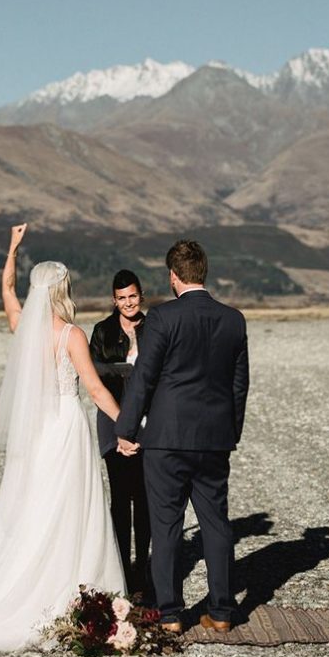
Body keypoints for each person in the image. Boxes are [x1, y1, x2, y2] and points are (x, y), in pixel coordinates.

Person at [0, 224, 126, 651]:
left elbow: (8, 290)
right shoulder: (71, 334)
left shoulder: (23, 327)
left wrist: (12, 248)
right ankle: (75, 587)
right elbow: (95, 390)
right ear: (63, 290)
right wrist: (127, 424)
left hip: (37, 432)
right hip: (65, 426)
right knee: (73, 505)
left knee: (38, 504)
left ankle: (30, 583)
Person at [115, 239, 250, 634]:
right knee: (216, 523)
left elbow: (144, 377)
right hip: (214, 439)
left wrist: (126, 429)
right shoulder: (234, 320)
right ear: (202, 272)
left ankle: (171, 615)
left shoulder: (162, 317)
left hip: (167, 439)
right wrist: (231, 431)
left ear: (173, 276)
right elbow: (239, 384)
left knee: (167, 526)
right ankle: (221, 611)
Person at [89, 270, 151, 594]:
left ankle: (143, 570)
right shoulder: (103, 331)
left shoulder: (153, 327)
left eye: (133, 296)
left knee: (145, 499)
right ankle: (122, 571)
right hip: (112, 424)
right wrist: (128, 371)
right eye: (122, 298)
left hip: (147, 424)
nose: (128, 303)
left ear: (141, 295)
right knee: (120, 498)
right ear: (114, 300)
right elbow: (95, 374)